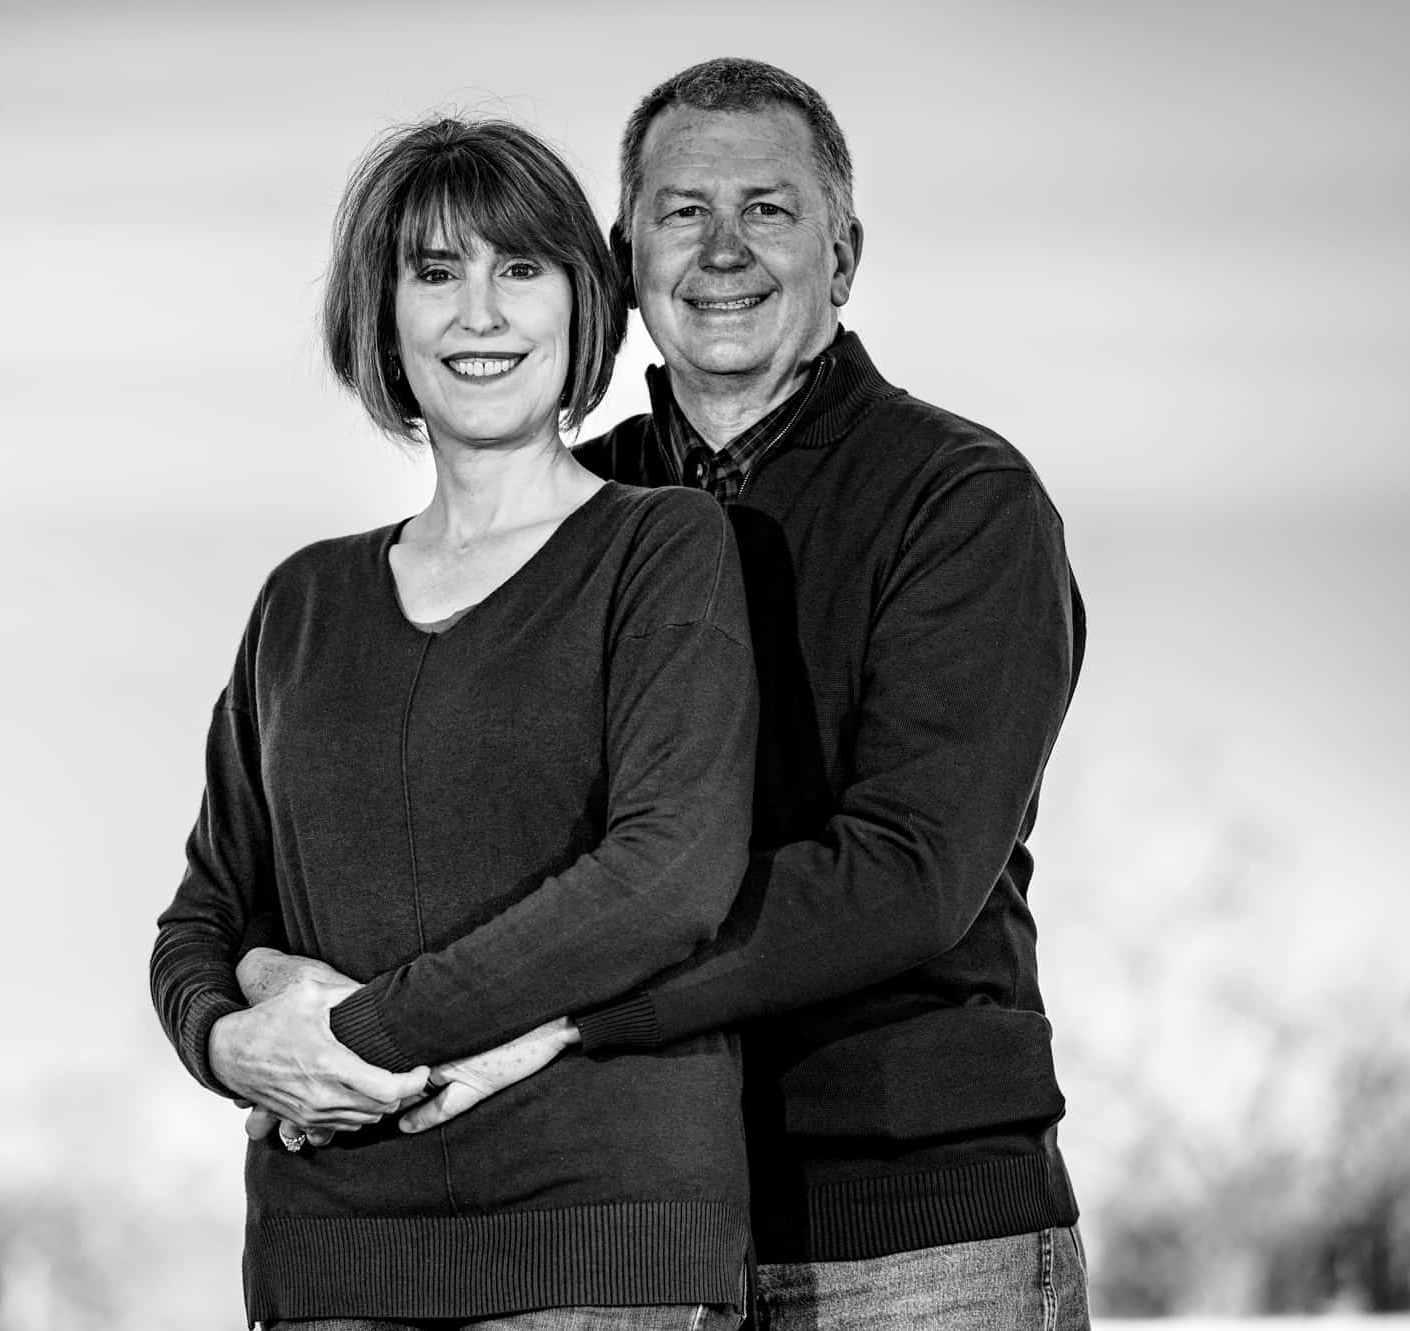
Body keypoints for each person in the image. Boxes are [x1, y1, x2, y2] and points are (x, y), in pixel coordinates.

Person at [239, 59, 1092, 1329]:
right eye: (683, 212)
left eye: (768, 209)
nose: (722, 250)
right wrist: (278, 1017)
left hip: (901, 1228)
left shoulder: (959, 500)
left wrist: (553, 1018)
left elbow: (906, 870)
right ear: (622, 253)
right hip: (624, 1226)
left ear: (843, 253)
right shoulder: (573, 519)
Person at [150, 115, 759, 1328]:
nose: (478, 313)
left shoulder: (661, 549)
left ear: (583, 307)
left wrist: (361, 1037)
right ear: (383, 319)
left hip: (598, 1247)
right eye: (435, 273)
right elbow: (206, 914)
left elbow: (665, 875)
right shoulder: (303, 601)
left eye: (518, 268)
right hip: (326, 1252)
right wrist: (229, 1046)